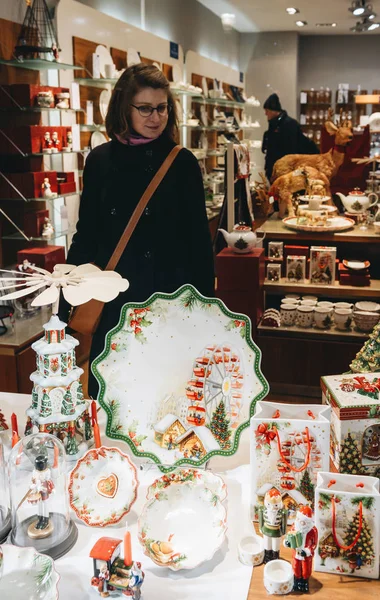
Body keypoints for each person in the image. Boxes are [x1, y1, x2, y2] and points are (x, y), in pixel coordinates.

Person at [64, 64, 214, 398]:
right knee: (112, 397)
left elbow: (199, 244)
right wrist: (67, 294)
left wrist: (204, 309)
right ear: (123, 107)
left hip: (168, 303)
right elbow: (86, 234)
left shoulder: (182, 163)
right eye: (145, 108)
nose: (155, 117)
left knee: (166, 399)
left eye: (162, 108)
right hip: (115, 301)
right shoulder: (100, 160)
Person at [262, 93, 318, 181]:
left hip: (286, 168)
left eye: (267, 111)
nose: (265, 114)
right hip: (277, 167)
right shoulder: (274, 124)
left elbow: (291, 148)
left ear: (273, 110)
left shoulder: (289, 124)